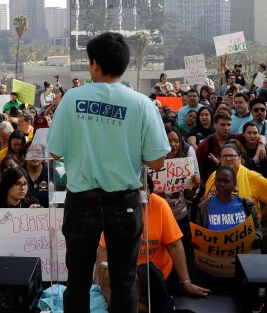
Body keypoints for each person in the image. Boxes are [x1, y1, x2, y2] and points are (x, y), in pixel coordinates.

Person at [46, 32, 170, 313]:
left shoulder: (72, 99)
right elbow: (158, 162)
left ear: (95, 64)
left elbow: (54, 153)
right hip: (124, 203)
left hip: (81, 202)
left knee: (76, 281)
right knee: (124, 281)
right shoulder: (141, 104)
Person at [97, 176, 209, 311]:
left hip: (158, 280)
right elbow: (104, 249)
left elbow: (174, 245)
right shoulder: (116, 209)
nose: (143, 194)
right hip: (127, 281)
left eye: (146, 189)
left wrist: (186, 282)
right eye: (137, 190)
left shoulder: (160, 205)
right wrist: (100, 286)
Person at [203, 143, 267, 219]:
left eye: (231, 156)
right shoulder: (214, 176)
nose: (228, 159)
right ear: (220, 160)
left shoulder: (252, 177)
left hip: (245, 228)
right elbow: (205, 201)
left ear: (240, 158)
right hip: (215, 227)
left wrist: (260, 217)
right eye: (225, 156)